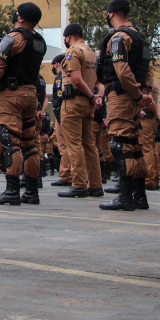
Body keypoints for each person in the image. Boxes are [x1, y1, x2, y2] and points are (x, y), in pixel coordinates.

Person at [0, 3, 47, 205]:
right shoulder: (40, 41)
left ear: (20, 18)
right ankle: (31, 191)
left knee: (10, 142)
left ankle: (12, 191)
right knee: (30, 144)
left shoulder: (14, 37)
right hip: (31, 94)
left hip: (12, 95)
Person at [95, 0, 155, 211]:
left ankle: (125, 197)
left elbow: (121, 70)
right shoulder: (140, 38)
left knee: (120, 143)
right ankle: (139, 196)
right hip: (134, 95)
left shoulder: (120, 37)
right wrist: (144, 95)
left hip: (122, 95)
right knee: (134, 145)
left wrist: (138, 95)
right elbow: (147, 72)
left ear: (111, 14)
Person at [56, 22, 104, 198]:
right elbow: (98, 81)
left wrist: (92, 96)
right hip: (88, 104)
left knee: (74, 144)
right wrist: (95, 96)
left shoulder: (73, 52)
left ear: (70, 37)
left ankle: (79, 184)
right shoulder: (92, 52)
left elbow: (76, 78)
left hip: (74, 102)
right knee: (89, 144)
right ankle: (96, 185)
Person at [49, 54, 74, 187]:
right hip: (70, 113)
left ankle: (66, 175)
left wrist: (59, 116)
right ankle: (75, 174)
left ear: (57, 64)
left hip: (63, 114)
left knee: (64, 146)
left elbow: (58, 98)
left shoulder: (60, 78)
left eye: (53, 66)